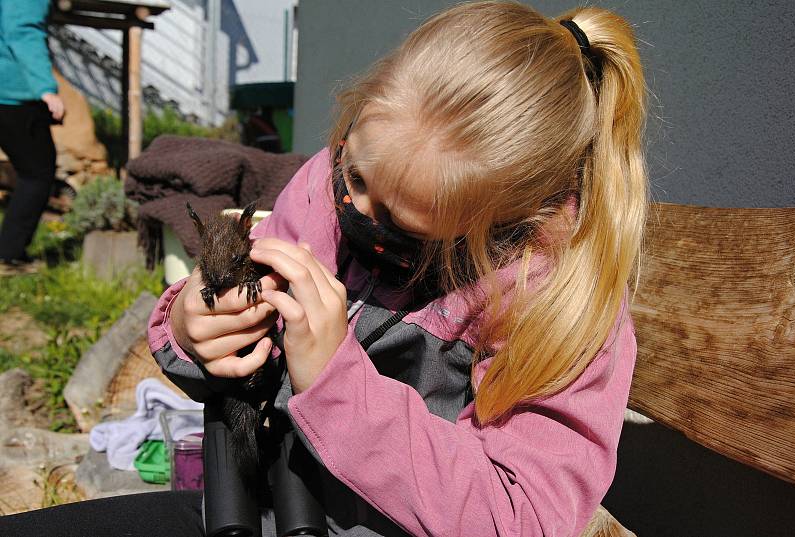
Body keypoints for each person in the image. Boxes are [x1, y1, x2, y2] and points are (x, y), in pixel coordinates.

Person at [0, 1, 646, 535]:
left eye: (403, 225)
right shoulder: (324, 185)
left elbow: (524, 516)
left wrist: (335, 383)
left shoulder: (554, 296)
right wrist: (193, 331)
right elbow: (230, 326)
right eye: (354, 175)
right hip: (256, 501)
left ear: (502, 219)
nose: (356, 213)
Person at [0, 0, 64, 274]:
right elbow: (22, 31)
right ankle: (9, 255)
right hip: (14, 93)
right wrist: (46, 88)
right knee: (37, 173)